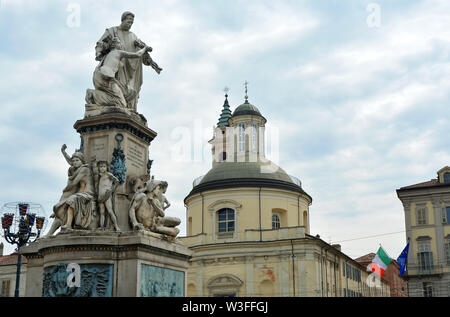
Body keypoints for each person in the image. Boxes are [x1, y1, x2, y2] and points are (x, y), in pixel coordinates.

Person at [93, 11, 162, 111]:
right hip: (118, 66)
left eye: (132, 23)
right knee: (117, 88)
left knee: (131, 90)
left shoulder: (133, 36)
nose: (130, 24)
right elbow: (100, 44)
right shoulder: (112, 31)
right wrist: (101, 52)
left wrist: (152, 63)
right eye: (128, 22)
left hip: (131, 68)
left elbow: (142, 53)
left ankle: (128, 108)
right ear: (123, 20)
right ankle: (117, 106)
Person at [86, 37, 152, 108]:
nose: (121, 44)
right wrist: (145, 48)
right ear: (114, 45)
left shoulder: (108, 55)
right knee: (121, 103)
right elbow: (137, 55)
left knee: (116, 95)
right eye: (119, 42)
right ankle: (93, 94)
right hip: (107, 77)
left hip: (98, 76)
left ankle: (95, 95)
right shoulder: (118, 52)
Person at [47, 148, 95, 235]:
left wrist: (65, 189)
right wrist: (64, 152)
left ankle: (68, 225)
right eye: (74, 161)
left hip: (88, 193)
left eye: (77, 160)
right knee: (61, 208)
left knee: (71, 200)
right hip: (80, 194)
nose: (75, 162)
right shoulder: (76, 169)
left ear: (82, 161)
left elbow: (74, 182)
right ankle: (49, 234)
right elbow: (70, 162)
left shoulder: (84, 169)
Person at [95, 161, 121, 231]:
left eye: (104, 166)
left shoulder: (108, 174)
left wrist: (112, 190)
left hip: (107, 195)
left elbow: (117, 181)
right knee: (102, 212)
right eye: (100, 167)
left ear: (107, 167)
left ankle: (116, 226)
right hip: (100, 196)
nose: (102, 168)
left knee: (110, 211)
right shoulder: (99, 176)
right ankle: (102, 226)